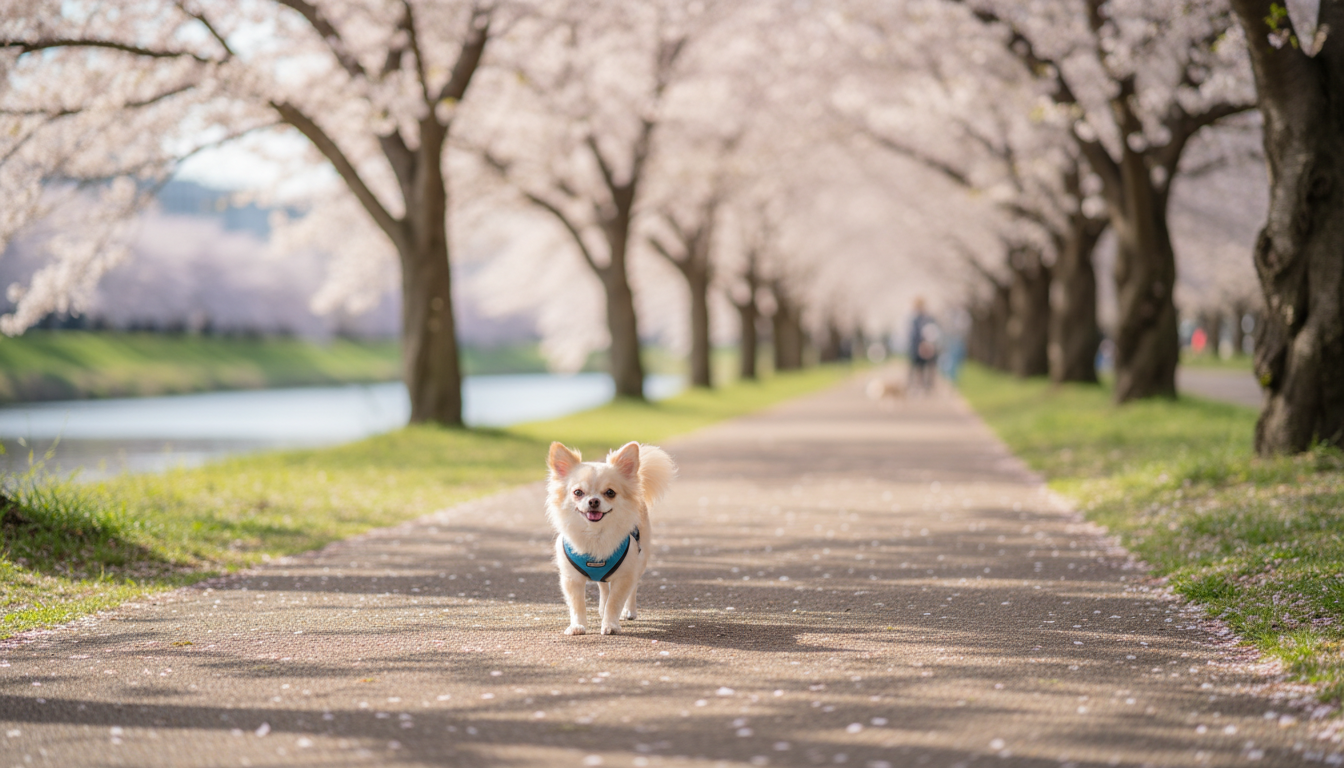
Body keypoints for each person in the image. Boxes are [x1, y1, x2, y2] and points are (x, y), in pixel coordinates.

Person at [908, 297, 939, 394]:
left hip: (926, 346)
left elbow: (933, 332)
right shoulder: (915, 319)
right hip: (917, 347)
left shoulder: (927, 318)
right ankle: (920, 385)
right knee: (919, 367)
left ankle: (927, 385)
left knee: (927, 366)